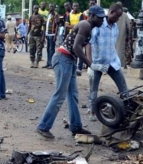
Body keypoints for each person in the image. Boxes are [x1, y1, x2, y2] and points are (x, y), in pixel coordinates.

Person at [36, 5, 106, 139]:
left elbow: (84, 47)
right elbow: (76, 47)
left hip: (69, 60)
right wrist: (91, 65)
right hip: (63, 58)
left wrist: (91, 64)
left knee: (72, 95)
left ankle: (76, 126)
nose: (102, 20)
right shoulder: (85, 25)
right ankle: (43, 126)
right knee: (60, 95)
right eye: (100, 17)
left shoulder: (89, 27)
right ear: (91, 16)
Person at [86, 3, 128, 121]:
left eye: (119, 17)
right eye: (116, 16)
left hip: (112, 62)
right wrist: (90, 64)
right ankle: (92, 111)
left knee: (123, 86)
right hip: (97, 63)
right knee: (93, 89)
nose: (117, 19)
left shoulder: (115, 27)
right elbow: (89, 43)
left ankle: (128, 107)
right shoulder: (99, 25)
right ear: (111, 12)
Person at [65, 2, 84, 75]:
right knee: (72, 51)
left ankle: (79, 68)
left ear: (78, 7)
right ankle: (74, 66)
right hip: (72, 35)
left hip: (80, 35)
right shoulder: (69, 15)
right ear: (72, 7)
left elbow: (81, 25)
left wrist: (71, 26)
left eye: (77, 6)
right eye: (74, 6)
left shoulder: (81, 15)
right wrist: (76, 25)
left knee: (80, 51)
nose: (75, 7)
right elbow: (67, 25)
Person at [42, 3, 59, 69]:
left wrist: (55, 35)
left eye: (52, 6)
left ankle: (52, 64)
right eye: (50, 7)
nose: (50, 8)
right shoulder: (48, 14)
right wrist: (45, 34)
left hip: (52, 34)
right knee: (48, 49)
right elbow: (46, 24)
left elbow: (57, 25)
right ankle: (48, 63)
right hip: (47, 34)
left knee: (52, 49)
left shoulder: (56, 14)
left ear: (54, 7)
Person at [116, 2, 132, 69]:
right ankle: (121, 66)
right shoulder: (125, 15)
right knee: (120, 51)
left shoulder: (114, 14)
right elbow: (129, 26)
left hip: (113, 36)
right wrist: (129, 35)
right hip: (122, 36)